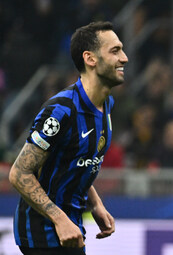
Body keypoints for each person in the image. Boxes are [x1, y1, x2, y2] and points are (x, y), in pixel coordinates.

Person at [8, 21, 128, 255]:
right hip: (42, 234)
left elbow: (77, 161)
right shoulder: (61, 111)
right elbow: (19, 173)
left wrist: (96, 204)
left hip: (71, 228)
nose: (124, 58)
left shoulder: (106, 105)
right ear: (90, 59)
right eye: (115, 51)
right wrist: (60, 219)